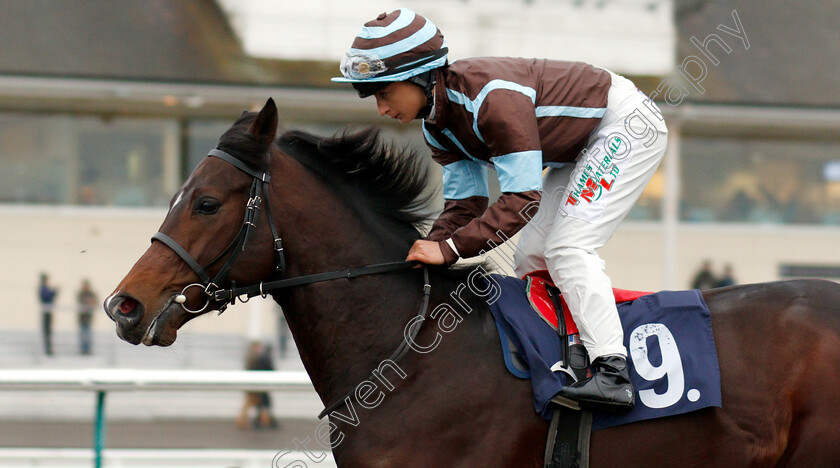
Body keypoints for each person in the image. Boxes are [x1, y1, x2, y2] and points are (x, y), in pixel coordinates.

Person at [333, 9, 668, 413]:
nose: (381, 110)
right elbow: (465, 205)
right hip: (580, 147)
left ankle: (614, 373)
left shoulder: (491, 101)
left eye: (384, 93)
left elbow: (522, 202)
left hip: (625, 123)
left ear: (419, 75)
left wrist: (450, 249)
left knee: (568, 248)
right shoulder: (437, 125)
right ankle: (574, 355)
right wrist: (426, 247)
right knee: (530, 255)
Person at [236, 342, 278, 430]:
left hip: (254, 385)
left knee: (252, 405)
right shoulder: (255, 358)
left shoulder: (252, 357)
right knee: (258, 404)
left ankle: (245, 421)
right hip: (255, 385)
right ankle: (262, 421)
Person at [38, 273, 59, 356]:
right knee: (47, 331)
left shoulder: (44, 288)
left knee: (48, 331)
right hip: (46, 312)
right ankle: (47, 349)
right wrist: (54, 291)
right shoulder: (43, 288)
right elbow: (47, 297)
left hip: (48, 312)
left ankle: (49, 348)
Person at [77, 279, 97, 355]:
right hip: (82, 318)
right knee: (82, 334)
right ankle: (83, 350)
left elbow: (95, 301)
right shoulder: (81, 293)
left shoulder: (91, 293)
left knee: (88, 334)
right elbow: (80, 300)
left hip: (89, 317)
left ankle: (88, 350)